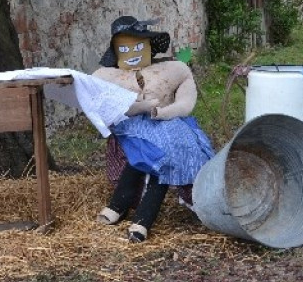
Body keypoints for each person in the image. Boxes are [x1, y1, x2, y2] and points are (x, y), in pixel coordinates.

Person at [91, 16, 215, 242]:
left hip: (169, 123)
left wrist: (162, 112)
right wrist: (142, 106)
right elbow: (107, 107)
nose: (133, 52)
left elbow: (186, 103)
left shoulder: (174, 70)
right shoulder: (105, 77)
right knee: (147, 150)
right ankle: (121, 205)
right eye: (126, 48)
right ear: (116, 52)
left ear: (149, 46)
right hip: (133, 125)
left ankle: (140, 219)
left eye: (139, 46)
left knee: (170, 154)